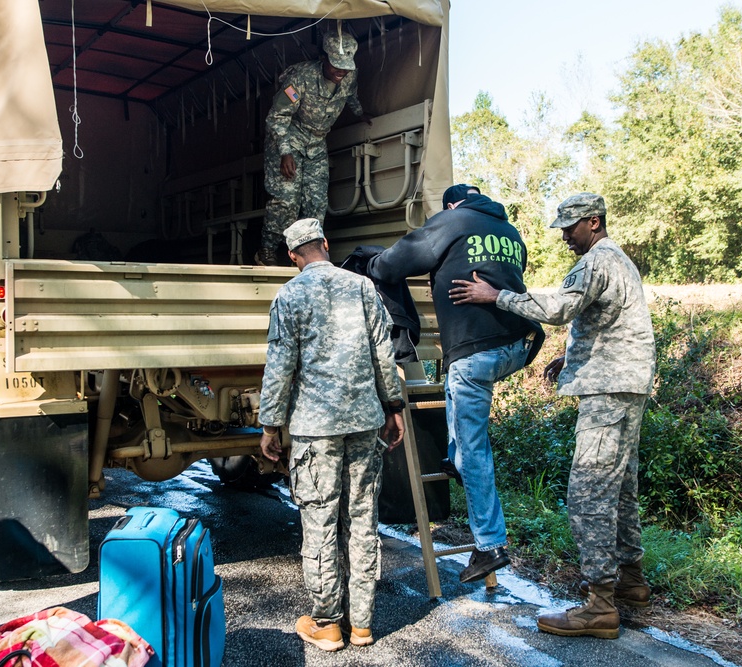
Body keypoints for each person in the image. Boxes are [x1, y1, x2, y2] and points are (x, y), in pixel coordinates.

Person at [448, 192, 656, 639]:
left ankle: (600, 605)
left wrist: (495, 294)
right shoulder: (616, 261)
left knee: (589, 494)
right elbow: (605, 320)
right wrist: (571, 355)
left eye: (571, 226)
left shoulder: (597, 260)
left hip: (609, 391)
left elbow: (560, 308)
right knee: (620, 490)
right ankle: (632, 582)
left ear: (594, 222)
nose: (564, 236)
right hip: (623, 385)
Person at [366, 184, 539, 584]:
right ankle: (453, 459)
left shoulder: (452, 220)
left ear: (451, 206)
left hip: (474, 354)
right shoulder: (510, 232)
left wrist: (371, 265)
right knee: (462, 439)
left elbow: (395, 262)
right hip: (515, 347)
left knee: (473, 449)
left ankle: (490, 544)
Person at [258, 218, 405, 651]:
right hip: (363, 422)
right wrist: (393, 407)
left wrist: (270, 424)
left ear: (292, 256)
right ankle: (362, 624)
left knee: (320, 521)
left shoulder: (290, 294)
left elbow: (280, 365)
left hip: (315, 430)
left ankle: (327, 624)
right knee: (362, 520)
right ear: (325, 243)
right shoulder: (362, 288)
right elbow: (385, 354)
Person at [257, 32, 372, 266]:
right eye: (336, 66)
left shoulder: (348, 76)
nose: (342, 72)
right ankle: (267, 250)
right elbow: (276, 116)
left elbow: (350, 96)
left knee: (316, 204)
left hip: (317, 143)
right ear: (323, 58)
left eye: (346, 67)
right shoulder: (300, 78)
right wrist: (285, 152)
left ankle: (305, 257)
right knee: (287, 201)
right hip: (288, 140)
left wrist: (360, 113)